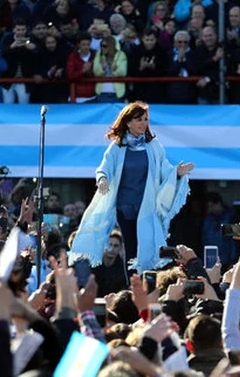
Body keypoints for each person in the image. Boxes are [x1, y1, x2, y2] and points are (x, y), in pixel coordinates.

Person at [69, 102, 194, 271]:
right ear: (128, 122)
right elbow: (103, 168)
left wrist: (177, 173)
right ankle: (133, 289)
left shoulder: (153, 146)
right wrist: (102, 180)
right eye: (139, 120)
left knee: (150, 246)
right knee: (131, 249)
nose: (144, 123)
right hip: (125, 208)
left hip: (147, 207)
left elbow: (165, 168)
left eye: (146, 119)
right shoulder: (117, 147)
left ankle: (148, 286)